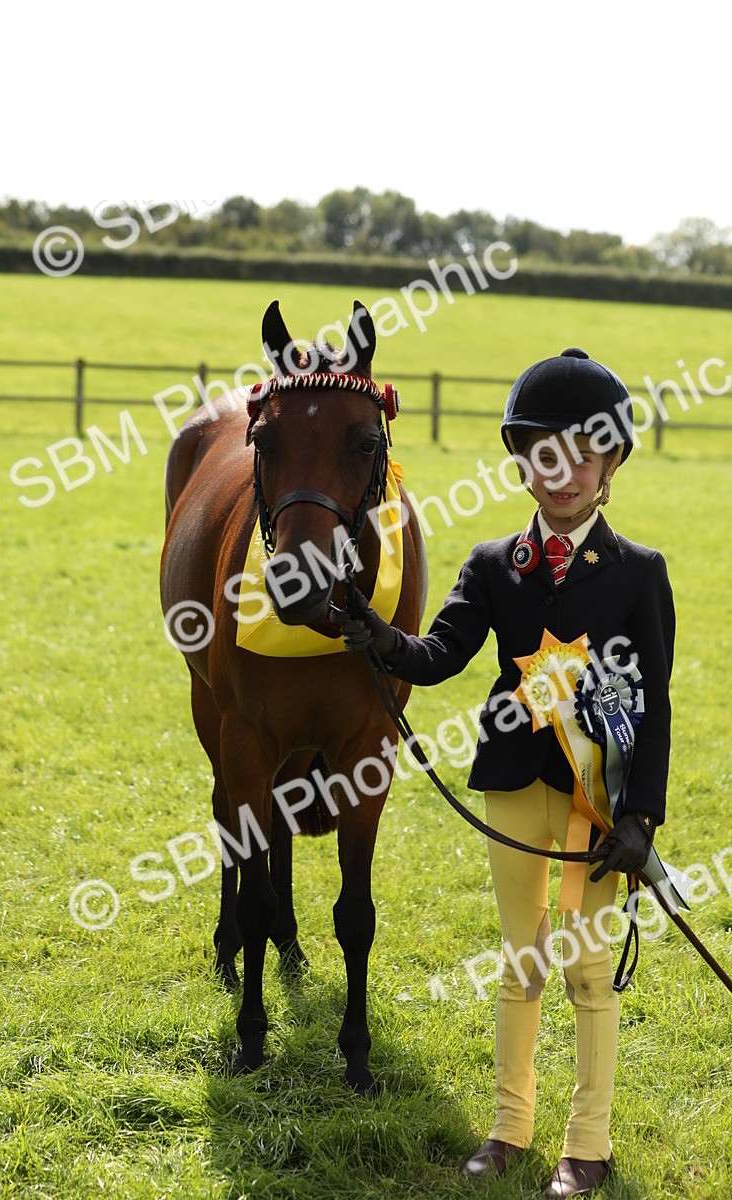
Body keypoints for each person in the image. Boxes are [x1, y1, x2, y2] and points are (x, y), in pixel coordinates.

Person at [336, 348, 676, 1198]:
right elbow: (442, 652)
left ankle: (587, 1144)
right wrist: (384, 639)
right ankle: (510, 1127)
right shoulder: (494, 564)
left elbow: (658, 704)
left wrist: (642, 817)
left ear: (612, 464)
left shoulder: (640, 573)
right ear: (521, 460)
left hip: (598, 802)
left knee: (588, 970)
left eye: (583, 456)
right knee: (522, 958)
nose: (563, 474)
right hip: (513, 786)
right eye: (544, 455)